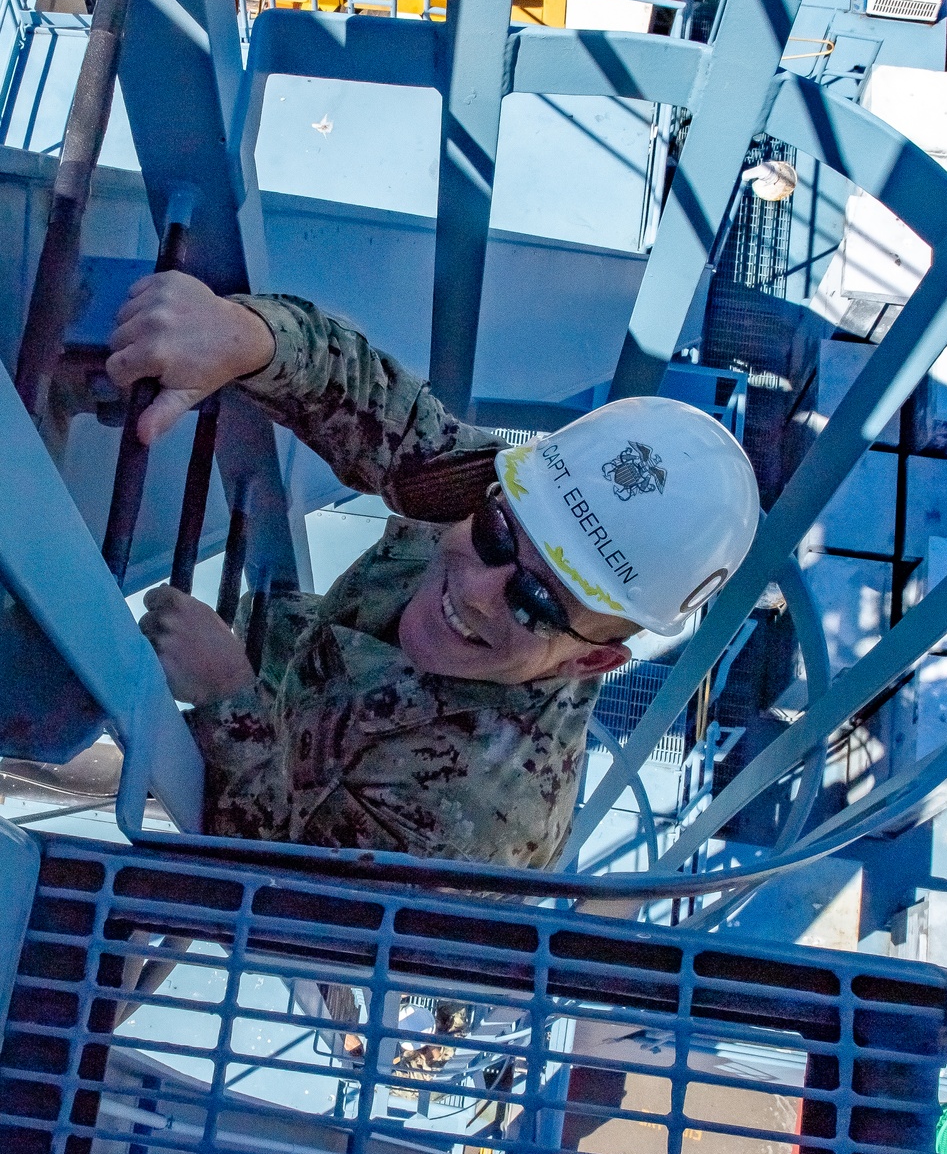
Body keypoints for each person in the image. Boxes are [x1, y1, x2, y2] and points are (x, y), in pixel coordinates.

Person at [109, 272, 759, 868]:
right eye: (495, 535)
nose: (477, 589)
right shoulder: (520, 493)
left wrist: (229, 696)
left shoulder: (480, 819)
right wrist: (249, 337)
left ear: (589, 662)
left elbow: (291, 900)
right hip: (281, 665)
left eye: (534, 600)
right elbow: (390, 421)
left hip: (262, 746)